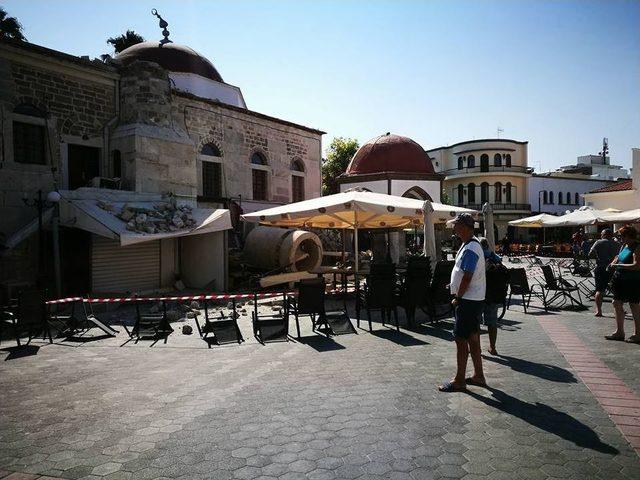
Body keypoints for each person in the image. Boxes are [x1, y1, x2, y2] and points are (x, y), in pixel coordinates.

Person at [439, 213, 486, 392]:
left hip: (468, 300)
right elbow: (464, 275)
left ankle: (459, 380)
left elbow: (467, 276)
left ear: (465, 227)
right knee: (473, 338)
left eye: (457, 226)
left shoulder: (470, 248)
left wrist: (458, 296)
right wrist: (453, 284)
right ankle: (479, 376)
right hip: (474, 299)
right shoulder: (470, 245)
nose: (455, 228)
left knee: (460, 339)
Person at [605, 226, 640, 343]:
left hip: (632, 281)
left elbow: (636, 266)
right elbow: (618, 257)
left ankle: (637, 334)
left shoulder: (637, 247)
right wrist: (613, 263)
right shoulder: (624, 246)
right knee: (616, 302)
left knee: (634, 305)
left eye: (621, 236)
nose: (619, 238)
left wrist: (617, 266)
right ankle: (619, 332)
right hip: (619, 280)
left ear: (628, 236)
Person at [479, 237, 507, 355]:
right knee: (492, 322)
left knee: (475, 322)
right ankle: (493, 347)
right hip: (494, 294)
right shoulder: (495, 257)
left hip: (480, 293)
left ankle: (477, 348)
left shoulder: (479, 257)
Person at [589, 229, 619, 317]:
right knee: (615, 290)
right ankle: (618, 309)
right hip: (613, 268)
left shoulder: (599, 242)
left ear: (604, 234)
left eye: (601, 234)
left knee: (599, 290)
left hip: (601, 268)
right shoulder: (617, 244)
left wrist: (598, 257)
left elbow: (590, 254)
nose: (601, 235)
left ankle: (599, 310)